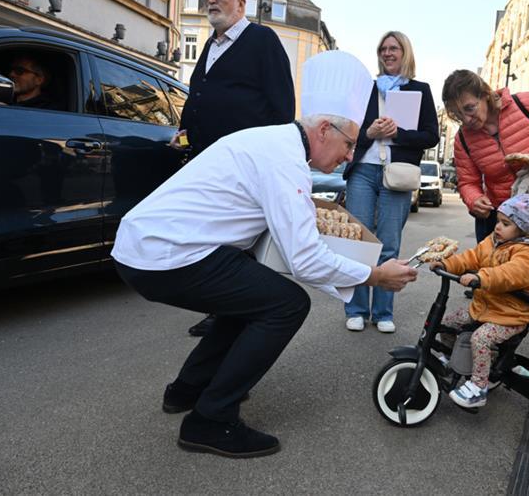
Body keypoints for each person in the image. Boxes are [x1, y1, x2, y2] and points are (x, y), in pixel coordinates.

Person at [111, 51, 418, 459]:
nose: (349, 156)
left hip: (150, 246)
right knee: (286, 304)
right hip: (163, 254)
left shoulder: (274, 143)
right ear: (324, 128)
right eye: (348, 144)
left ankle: (188, 389)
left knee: (252, 296)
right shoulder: (284, 160)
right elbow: (303, 259)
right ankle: (211, 419)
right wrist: (375, 275)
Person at [176, 0, 296, 337]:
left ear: (242, 3)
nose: (211, 0)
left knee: (236, 242)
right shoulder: (211, 45)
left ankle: (235, 315)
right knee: (212, 238)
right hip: (207, 161)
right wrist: (184, 129)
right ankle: (221, 311)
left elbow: (282, 107)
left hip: (243, 165)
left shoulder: (262, 40)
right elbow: (198, 92)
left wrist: (270, 157)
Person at [442, 70, 529, 375]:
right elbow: (468, 180)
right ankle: (489, 346)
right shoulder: (463, 139)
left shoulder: (526, 104)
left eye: (470, 108)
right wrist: (474, 200)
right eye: (458, 114)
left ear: (486, 95)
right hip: (506, 216)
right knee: (499, 279)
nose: (467, 118)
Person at [342, 31, 439, 333]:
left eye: (393, 48)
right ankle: (356, 308)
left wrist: (398, 133)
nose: (387, 53)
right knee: (358, 241)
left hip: (397, 174)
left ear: (404, 52)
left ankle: (383, 312)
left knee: (388, 244)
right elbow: (346, 129)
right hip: (363, 171)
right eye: (383, 49)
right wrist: (367, 134)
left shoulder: (419, 89)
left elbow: (431, 135)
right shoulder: (365, 90)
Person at [430, 194, 529, 408]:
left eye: (506, 224)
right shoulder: (493, 242)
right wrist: (447, 265)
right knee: (449, 323)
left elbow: (510, 274)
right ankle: (455, 359)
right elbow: (470, 257)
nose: (498, 227)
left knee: (481, 339)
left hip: (510, 316)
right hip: (485, 308)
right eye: (498, 221)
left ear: (523, 228)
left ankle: (478, 387)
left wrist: (480, 278)